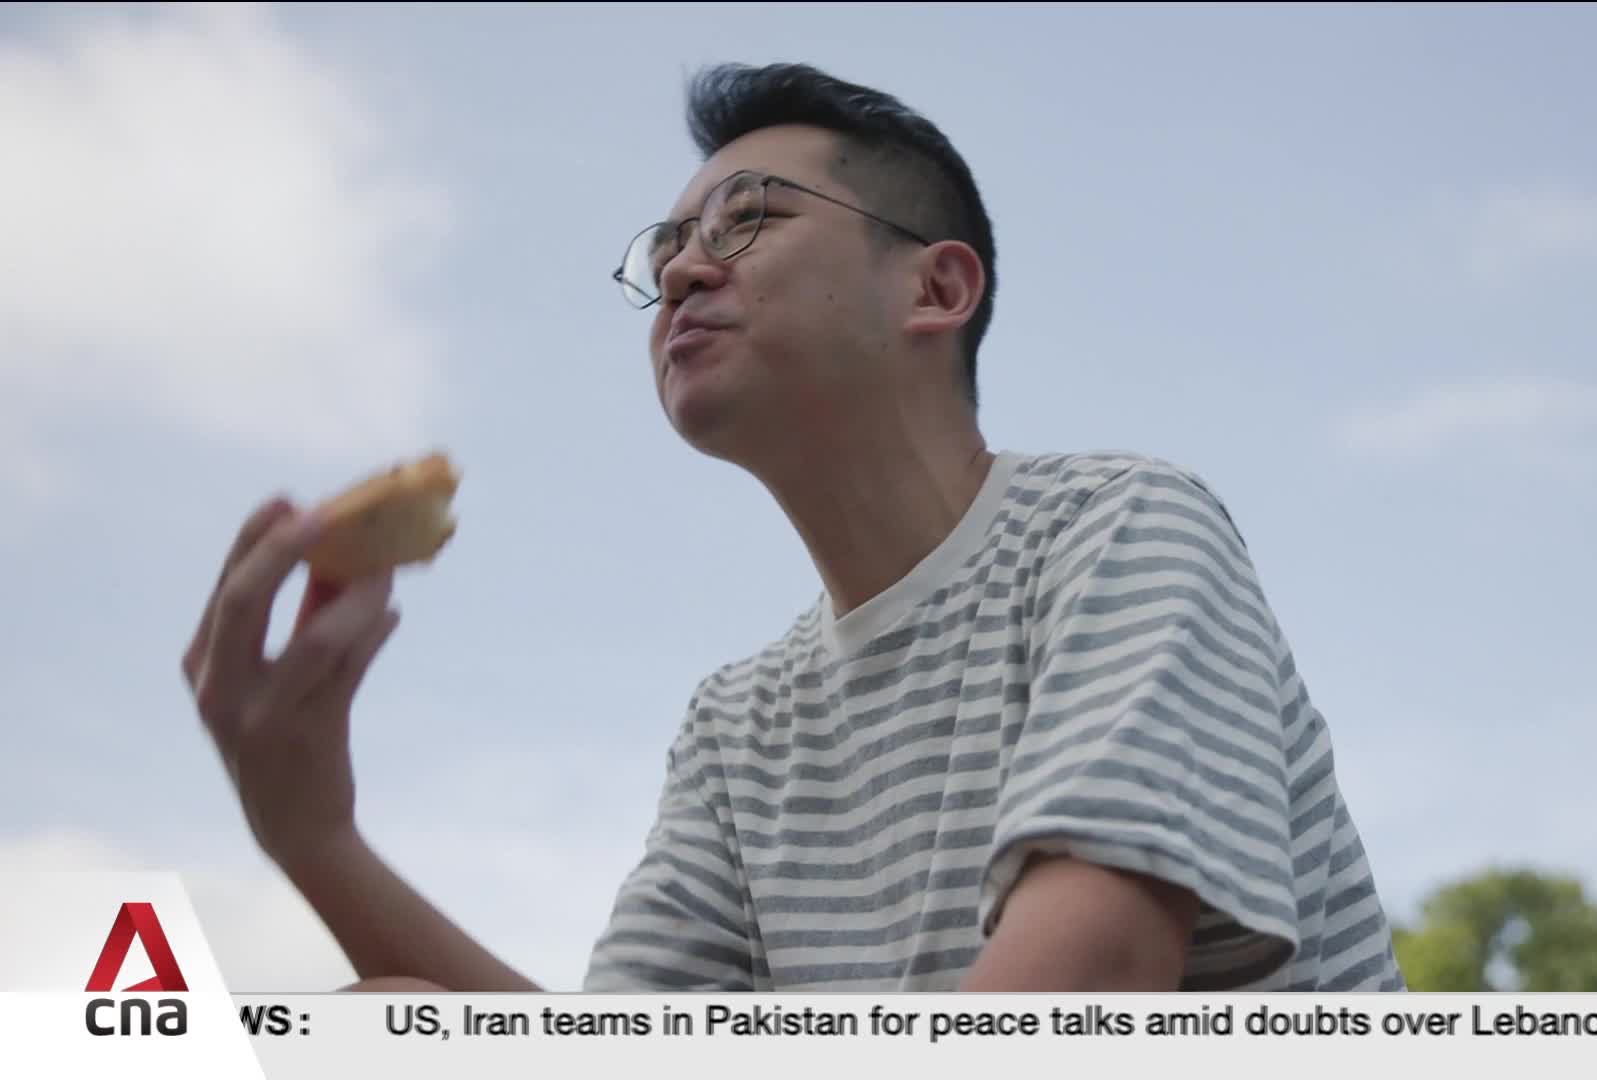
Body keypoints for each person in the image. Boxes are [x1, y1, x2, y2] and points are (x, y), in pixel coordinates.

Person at [180, 62, 1405, 994]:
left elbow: (1076, 1004)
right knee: (386, 1024)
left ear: (937, 287)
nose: (679, 273)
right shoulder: (737, 725)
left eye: (747, 219)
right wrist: (312, 834)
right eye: (665, 248)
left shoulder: (1123, 529)